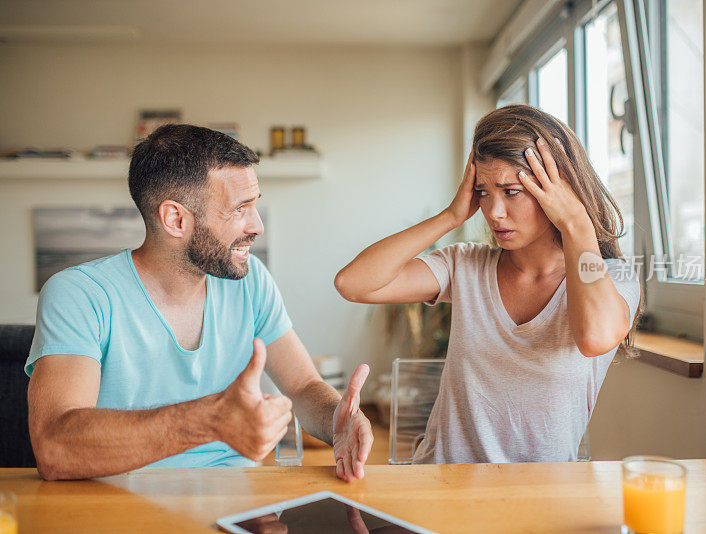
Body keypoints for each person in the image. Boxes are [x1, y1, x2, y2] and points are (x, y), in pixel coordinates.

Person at [26, 124, 373, 481]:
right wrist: (211, 419)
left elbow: (302, 386)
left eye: (255, 205)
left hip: (237, 506)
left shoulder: (252, 280)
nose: (257, 226)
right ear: (175, 219)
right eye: (240, 209)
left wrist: (337, 418)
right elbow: (55, 448)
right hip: (119, 509)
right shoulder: (79, 294)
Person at [334, 105, 640, 464]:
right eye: (483, 192)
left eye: (511, 191)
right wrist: (450, 217)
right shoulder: (465, 265)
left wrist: (577, 223)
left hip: (541, 499)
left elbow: (595, 338)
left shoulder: (612, 278)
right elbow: (352, 284)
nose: (493, 212)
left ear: (558, 191)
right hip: (441, 488)